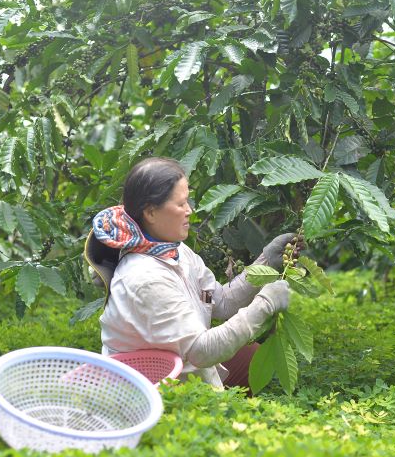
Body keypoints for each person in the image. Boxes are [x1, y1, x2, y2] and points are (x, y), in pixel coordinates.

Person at [88, 157, 297, 391]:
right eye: (180, 204)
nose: (189, 211)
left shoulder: (173, 249)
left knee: (250, 357)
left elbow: (222, 301)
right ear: (151, 213)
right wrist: (266, 303)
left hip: (186, 360)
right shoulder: (144, 278)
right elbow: (201, 351)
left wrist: (266, 261)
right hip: (152, 387)